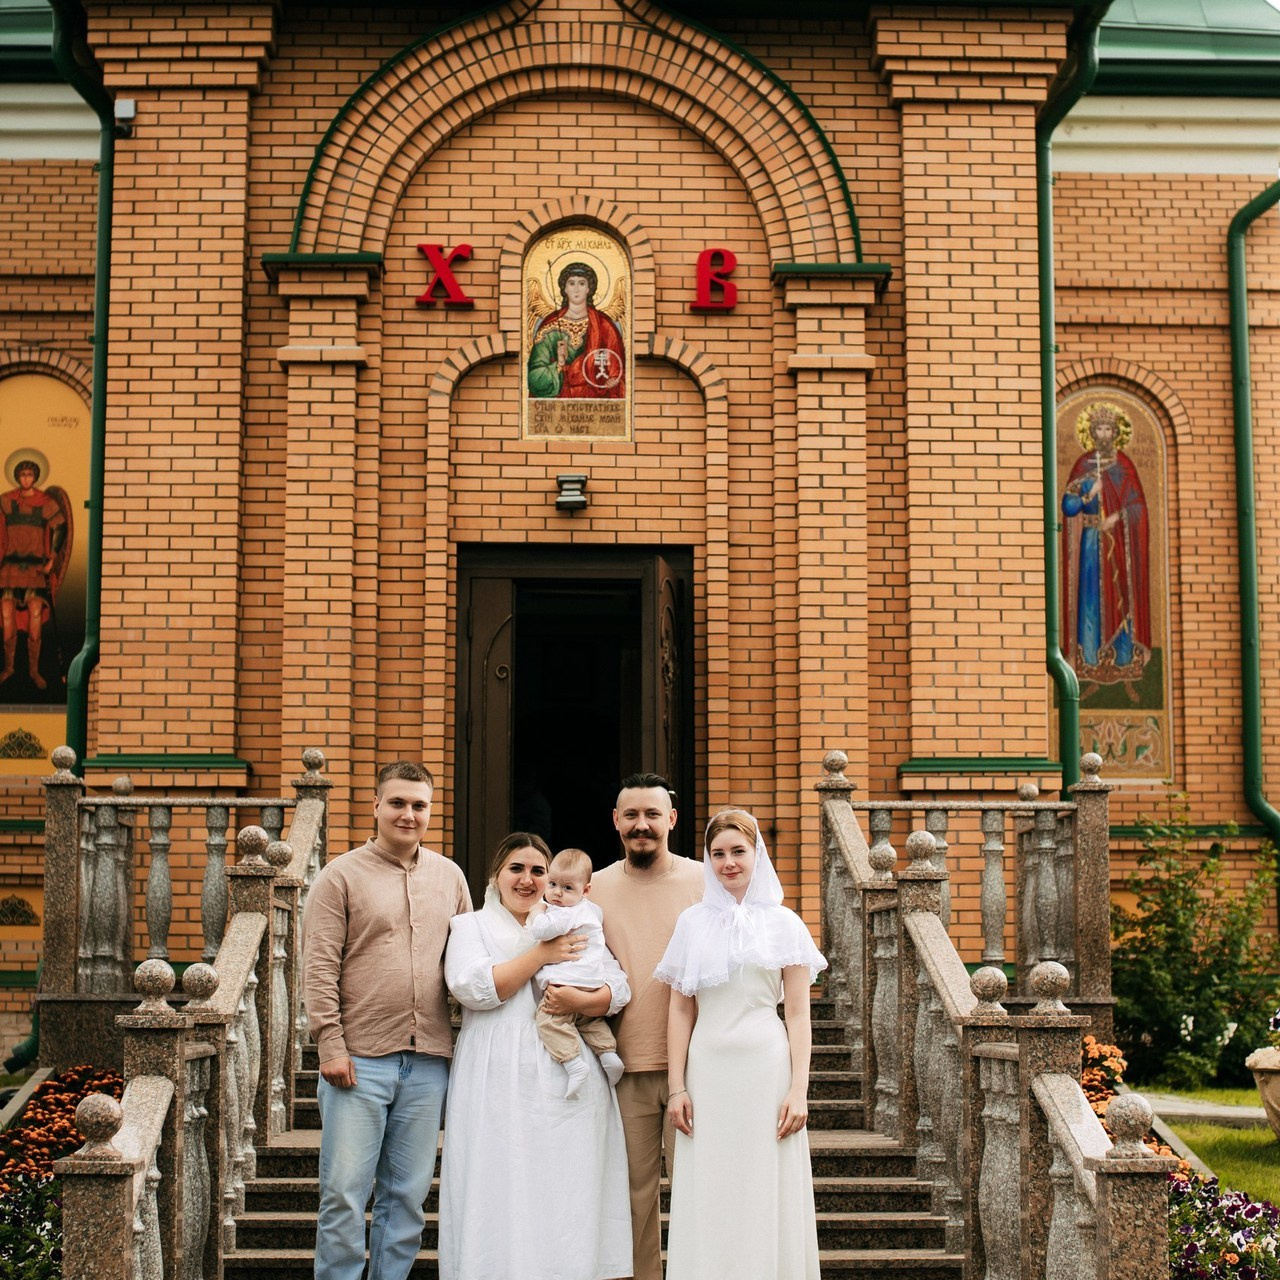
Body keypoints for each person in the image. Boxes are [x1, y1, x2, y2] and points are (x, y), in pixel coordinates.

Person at [301, 761, 471, 1280]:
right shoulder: (341, 876)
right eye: (397, 803)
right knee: (344, 1196)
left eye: (419, 805)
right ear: (375, 806)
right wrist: (329, 1045)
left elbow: (468, 962)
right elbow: (319, 965)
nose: (409, 814)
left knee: (408, 1200)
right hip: (359, 1061)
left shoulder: (451, 877)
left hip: (428, 1063)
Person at [439, 833, 632, 1280]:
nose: (527, 880)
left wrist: (579, 1003)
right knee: (497, 1181)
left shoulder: (574, 920)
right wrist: (541, 954)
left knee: (566, 1186)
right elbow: (474, 988)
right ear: (496, 876)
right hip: (495, 1071)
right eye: (516, 869)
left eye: (538, 871)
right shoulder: (470, 927)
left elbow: (617, 987)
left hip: (568, 1072)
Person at [656, 808, 827, 1279]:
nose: (728, 862)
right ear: (707, 860)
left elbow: (796, 1012)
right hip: (706, 1071)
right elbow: (680, 1009)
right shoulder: (691, 922)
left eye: (738, 851)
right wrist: (676, 1087)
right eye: (718, 853)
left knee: (764, 1186)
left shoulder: (785, 923)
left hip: (766, 1071)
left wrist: (799, 1089)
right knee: (711, 1188)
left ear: (757, 854)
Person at [590, 773, 703, 1280]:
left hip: (698, 1066)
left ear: (672, 820)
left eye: (653, 814)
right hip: (624, 1064)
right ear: (616, 821)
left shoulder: (708, 882)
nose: (642, 825)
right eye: (631, 815)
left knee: (699, 1193)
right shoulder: (595, 888)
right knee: (633, 1200)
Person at [1061, 401, 1151, 692]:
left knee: (1121, 599)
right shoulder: (1083, 466)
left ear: (1115, 432)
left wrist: (1118, 517)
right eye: (1098, 428)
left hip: (1119, 544)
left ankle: (1124, 667)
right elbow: (1068, 506)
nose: (1103, 433)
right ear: (1091, 432)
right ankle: (1089, 666)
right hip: (1090, 543)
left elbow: (1138, 505)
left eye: (1108, 428)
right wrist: (1090, 496)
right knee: (1090, 601)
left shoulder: (1124, 466)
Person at [530, 846, 626, 1098]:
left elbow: (540, 931)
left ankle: (572, 1063)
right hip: (590, 982)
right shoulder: (591, 910)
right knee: (588, 1021)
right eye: (552, 884)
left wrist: (538, 910)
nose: (557, 894)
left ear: (586, 891)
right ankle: (608, 1055)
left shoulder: (564, 914)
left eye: (567, 888)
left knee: (549, 1021)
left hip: (566, 983)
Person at [0, 458, 68, 690]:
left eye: (30, 474)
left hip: (35, 568)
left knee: (35, 616)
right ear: (17, 477)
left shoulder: (45, 502)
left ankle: (33, 670)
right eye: (22, 474)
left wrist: (51, 560)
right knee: (7, 614)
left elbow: (61, 526)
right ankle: (9, 667)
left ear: (35, 477)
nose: (26, 478)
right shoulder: (6, 501)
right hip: (9, 567)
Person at [527, 262, 626, 399]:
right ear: (565, 289)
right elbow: (534, 377)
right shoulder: (550, 327)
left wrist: (613, 380)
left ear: (589, 289)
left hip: (594, 402)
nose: (576, 289)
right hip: (559, 402)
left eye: (581, 283)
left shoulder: (604, 325)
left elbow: (618, 368)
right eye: (571, 283)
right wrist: (559, 364)